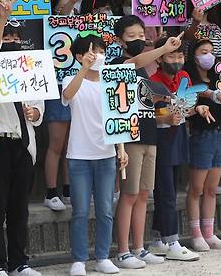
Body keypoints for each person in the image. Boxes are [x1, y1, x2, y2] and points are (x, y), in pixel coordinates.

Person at [62, 34, 129, 276]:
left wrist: (121, 149)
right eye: (92, 52)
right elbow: (68, 96)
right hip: (79, 154)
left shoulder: (111, 81)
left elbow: (120, 117)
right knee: (80, 210)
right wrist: (84, 70)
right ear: (79, 56)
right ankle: (79, 259)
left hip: (106, 154)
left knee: (105, 209)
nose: (98, 56)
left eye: (101, 51)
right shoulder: (72, 78)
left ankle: (102, 256)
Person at [0, 25, 45, 276]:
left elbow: (40, 109)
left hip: (23, 143)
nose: (10, 42)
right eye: (5, 38)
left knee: (20, 208)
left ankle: (20, 262)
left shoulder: (30, 68)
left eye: (15, 38)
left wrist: (35, 113)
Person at [111, 15, 165, 268]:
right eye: (131, 36)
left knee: (143, 194)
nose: (138, 41)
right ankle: (122, 251)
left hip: (149, 134)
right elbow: (131, 64)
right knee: (129, 194)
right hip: (129, 137)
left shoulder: (144, 68)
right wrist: (164, 48)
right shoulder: (119, 62)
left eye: (142, 36)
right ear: (119, 40)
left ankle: (139, 247)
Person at [148, 36, 206, 261]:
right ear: (160, 57)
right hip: (161, 138)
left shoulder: (184, 76)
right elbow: (152, 113)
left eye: (180, 55)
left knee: (170, 187)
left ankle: (158, 239)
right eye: (171, 55)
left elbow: (186, 107)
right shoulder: (153, 80)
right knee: (166, 192)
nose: (177, 59)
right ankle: (172, 241)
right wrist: (166, 116)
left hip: (179, 135)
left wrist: (197, 108)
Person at [184, 39, 221, 251]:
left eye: (211, 52)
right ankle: (196, 234)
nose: (209, 56)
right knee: (196, 188)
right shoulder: (187, 77)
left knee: (211, 189)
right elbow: (192, 92)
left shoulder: (219, 79)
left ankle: (209, 233)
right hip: (199, 135)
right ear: (194, 55)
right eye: (204, 51)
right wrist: (211, 94)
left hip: (219, 134)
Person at [43, 0, 87, 212]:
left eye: (73, 7)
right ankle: (51, 191)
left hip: (77, 86)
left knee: (73, 142)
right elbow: (61, 18)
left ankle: (69, 189)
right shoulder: (50, 27)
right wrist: (72, 3)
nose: (69, 11)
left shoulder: (81, 31)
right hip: (56, 87)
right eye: (62, 7)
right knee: (57, 143)